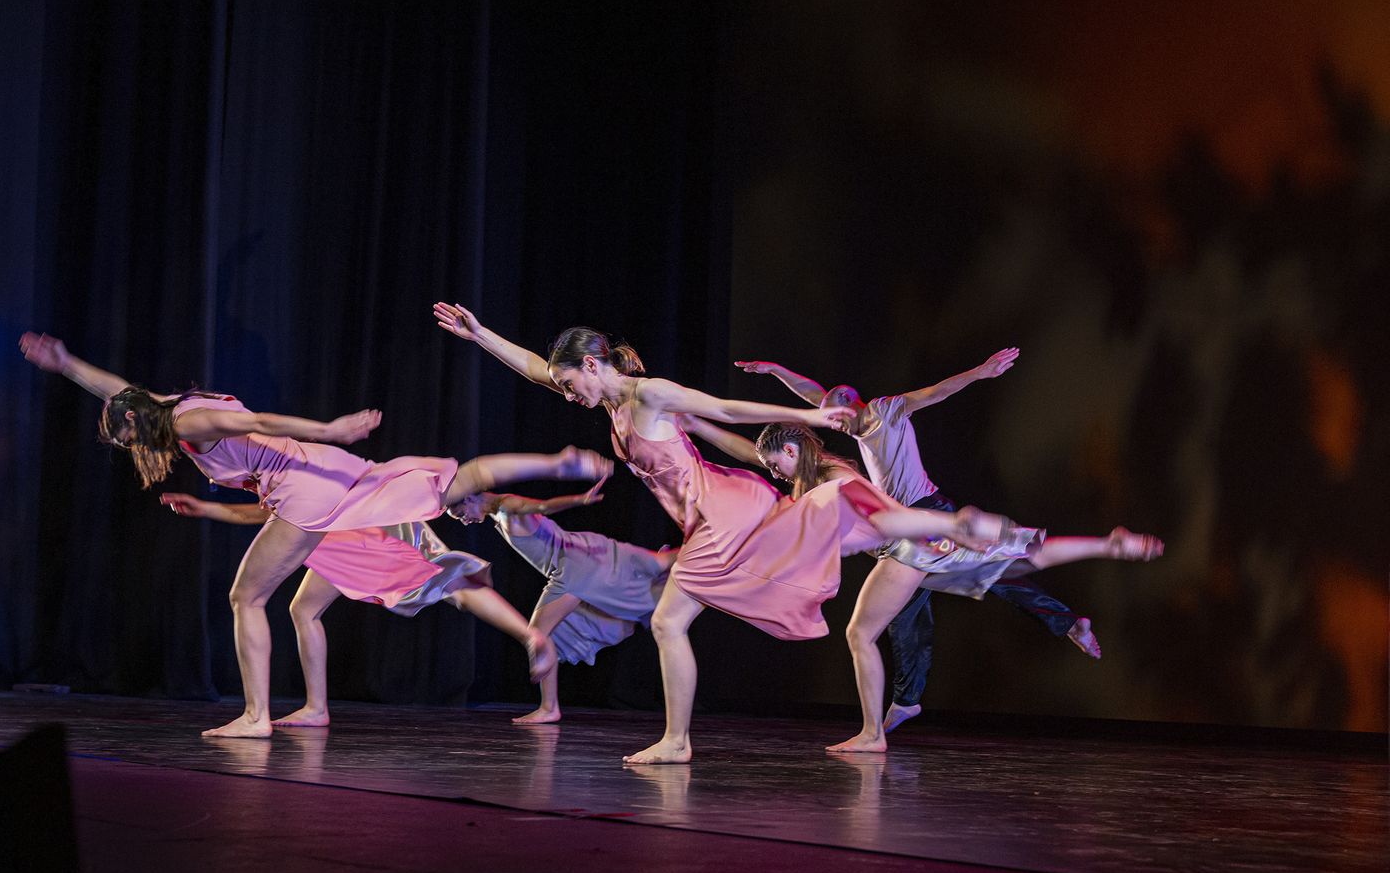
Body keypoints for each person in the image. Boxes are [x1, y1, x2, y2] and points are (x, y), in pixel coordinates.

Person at [434, 303, 1012, 763]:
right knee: (722, 591)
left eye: (569, 382)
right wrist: (480, 334)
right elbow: (538, 367)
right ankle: (940, 525)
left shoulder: (649, 395)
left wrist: (809, 419)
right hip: (710, 516)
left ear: (591, 366)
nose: (565, 393)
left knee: (667, 620)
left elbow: (725, 408)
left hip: (719, 512)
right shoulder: (610, 407)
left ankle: (677, 742)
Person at [20, 331, 611, 737]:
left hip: (307, 486)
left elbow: (254, 421)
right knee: (453, 484)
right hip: (330, 477)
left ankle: (255, 715)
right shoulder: (162, 409)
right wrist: (65, 363)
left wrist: (333, 428)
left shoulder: (187, 420)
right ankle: (557, 463)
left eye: (127, 440)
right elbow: (115, 388)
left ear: (134, 423)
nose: (134, 450)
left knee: (245, 597)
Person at [742, 420, 1162, 752]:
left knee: (860, 633)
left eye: (775, 464)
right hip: (916, 546)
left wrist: (947, 526)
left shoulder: (836, 476)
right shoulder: (814, 474)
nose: (774, 473)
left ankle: (873, 733)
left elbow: (883, 513)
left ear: (792, 451)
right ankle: (1109, 543)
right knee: (1011, 565)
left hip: (906, 549)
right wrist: (702, 425)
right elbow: (748, 453)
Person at [736, 352, 1100, 732]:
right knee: (907, 614)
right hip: (900, 529)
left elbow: (935, 392)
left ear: (851, 404)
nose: (834, 426)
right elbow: (815, 395)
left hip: (925, 515)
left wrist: (979, 372)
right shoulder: (853, 422)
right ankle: (907, 700)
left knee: (996, 573)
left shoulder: (886, 411)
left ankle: (1069, 621)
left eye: (836, 417)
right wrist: (776, 371)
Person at [161, 492, 559, 727]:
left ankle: (530, 635)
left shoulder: (286, 477)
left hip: (352, 534)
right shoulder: (279, 484)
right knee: (304, 610)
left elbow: (259, 514)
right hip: (337, 535)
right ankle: (316, 708)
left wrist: (205, 507)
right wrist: (204, 507)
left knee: (442, 581)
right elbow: (261, 514)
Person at [447, 478, 677, 724]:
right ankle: (549, 707)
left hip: (571, 571)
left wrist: (579, 500)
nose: (464, 520)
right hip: (582, 554)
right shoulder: (499, 512)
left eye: (461, 513)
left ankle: (549, 708)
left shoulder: (507, 506)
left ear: (470, 497)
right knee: (659, 563)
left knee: (537, 635)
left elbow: (544, 506)